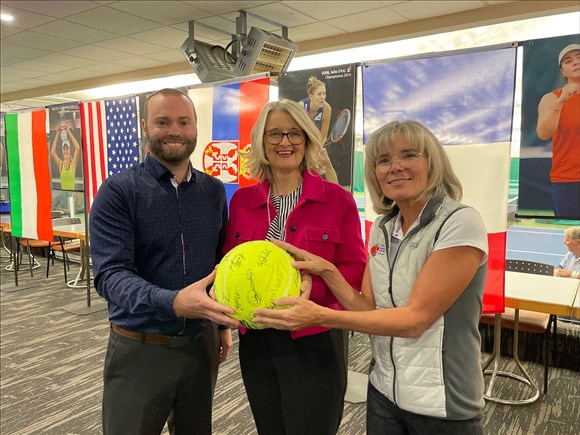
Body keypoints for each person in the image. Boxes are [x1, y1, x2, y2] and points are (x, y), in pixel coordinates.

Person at [254, 120, 488, 434]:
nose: (395, 167)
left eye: (408, 155)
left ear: (432, 163)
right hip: (384, 395)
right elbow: (366, 307)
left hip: (441, 404)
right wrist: (328, 270)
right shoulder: (382, 226)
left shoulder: (460, 222)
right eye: (383, 160)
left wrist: (321, 317)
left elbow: (414, 320)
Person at [90, 88, 240, 435]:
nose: (174, 130)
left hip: (200, 347)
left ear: (195, 127)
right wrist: (172, 302)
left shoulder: (213, 191)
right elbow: (110, 276)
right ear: (145, 126)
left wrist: (221, 326)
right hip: (141, 349)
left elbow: (219, 265)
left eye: (183, 121)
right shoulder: (119, 191)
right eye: (163, 122)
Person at [223, 99, 366, 434]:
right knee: (269, 427)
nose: (284, 142)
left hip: (315, 339)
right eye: (274, 134)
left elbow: (353, 269)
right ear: (261, 141)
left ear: (307, 140)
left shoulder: (338, 200)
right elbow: (231, 261)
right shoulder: (242, 202)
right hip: (257, 341)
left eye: (294, 134)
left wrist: (310, 292)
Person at [536, 43, 580, 218]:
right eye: (569, 61)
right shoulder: (551, 98)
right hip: (568, 181)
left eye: (579, 57)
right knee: (573, 239)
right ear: (563, 72)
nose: (576, 62)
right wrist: (561, 102)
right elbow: (543, 133)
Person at [300, 76, 339, 184]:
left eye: (324, 93)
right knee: (301, 169)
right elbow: (294, 132)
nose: (323, 97)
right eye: (319, 94)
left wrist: (317, 148)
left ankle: (338, 194)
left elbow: (323, 136)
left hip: (316, 141)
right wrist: (307, 150)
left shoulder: (327, 109)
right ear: (311, 96)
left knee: (327, 165)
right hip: (299, 140)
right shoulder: (301, 107)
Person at [50, 124, 80, 190]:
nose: (66, 151)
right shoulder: (60, 164)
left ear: (70, 150)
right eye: (64, 149)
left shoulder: (73, 164)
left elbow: (77, 148)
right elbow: (52, 152)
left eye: (67, 148)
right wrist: (57, 135)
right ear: (62, 150)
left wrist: (68, 131)